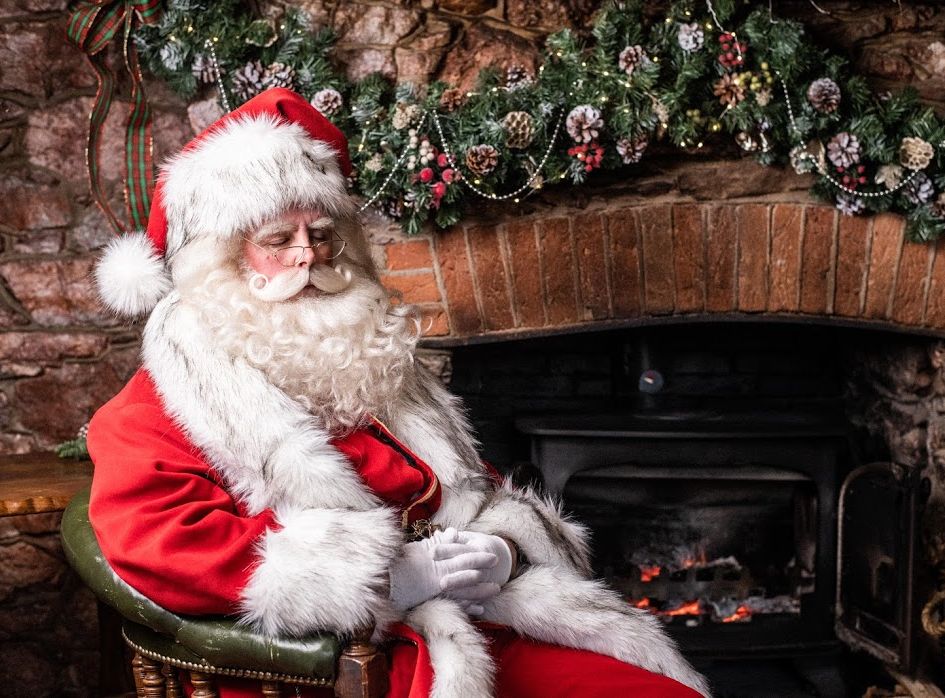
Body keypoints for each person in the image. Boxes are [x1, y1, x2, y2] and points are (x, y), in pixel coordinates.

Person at [87, 87, 711, 698]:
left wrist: (504, 550)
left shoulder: (370, 363)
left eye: (322, 233)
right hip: (325, 667)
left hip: (477, 621)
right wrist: (382, 579)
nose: (309, 255)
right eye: (279, 240)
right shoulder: (160, 406)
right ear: (223, 262)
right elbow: (161, 544)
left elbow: (472, 487)